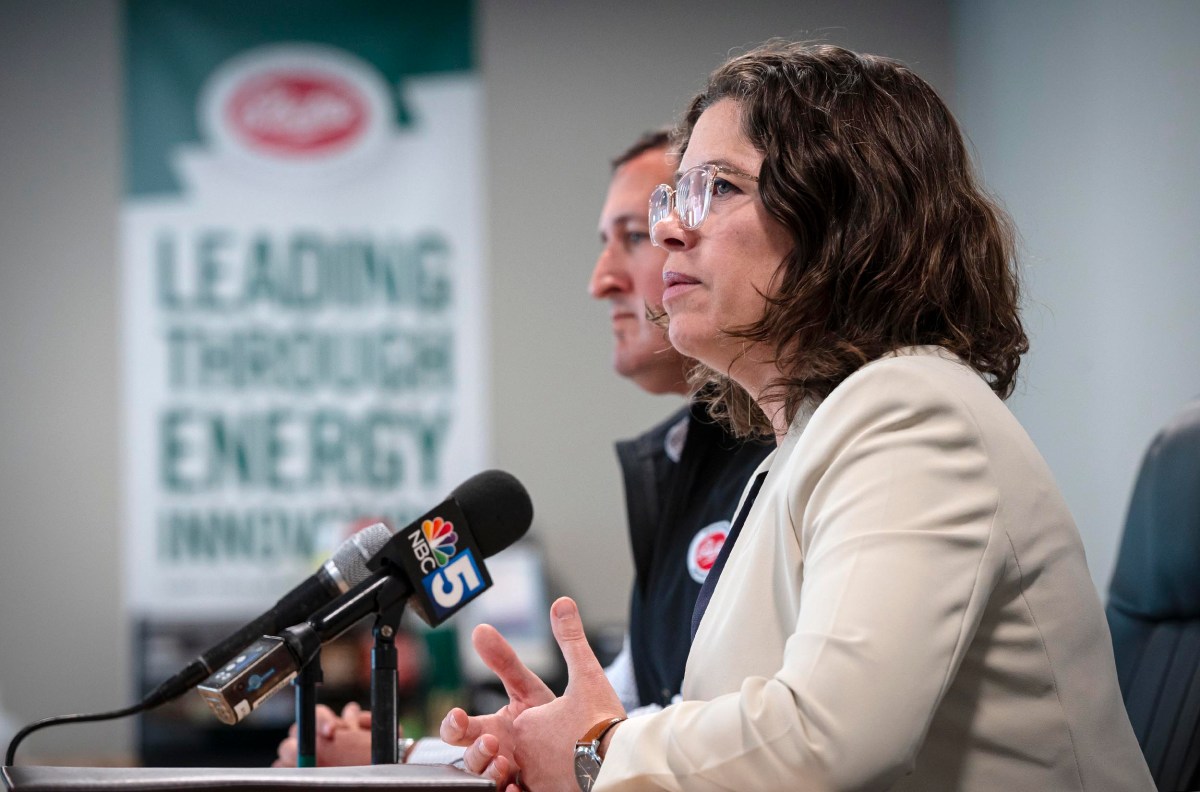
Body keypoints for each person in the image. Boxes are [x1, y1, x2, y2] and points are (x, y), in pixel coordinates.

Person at [447, 42, 1155, 790]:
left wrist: (600, 755)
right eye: (674, 196)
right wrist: (568, 737)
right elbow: (743, 726)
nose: (669, 232)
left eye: (717, 187)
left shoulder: (911, 412)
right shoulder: (797, 447)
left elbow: (829, 734)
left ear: (848, 219)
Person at [272, 133, 772, 772]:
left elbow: (734, 733)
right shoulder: (686, 456)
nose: (602, 281)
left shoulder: (790, 447)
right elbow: (625, 710)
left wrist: (411, 753)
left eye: (634, 235)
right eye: (607, 242)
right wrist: (404, 754)